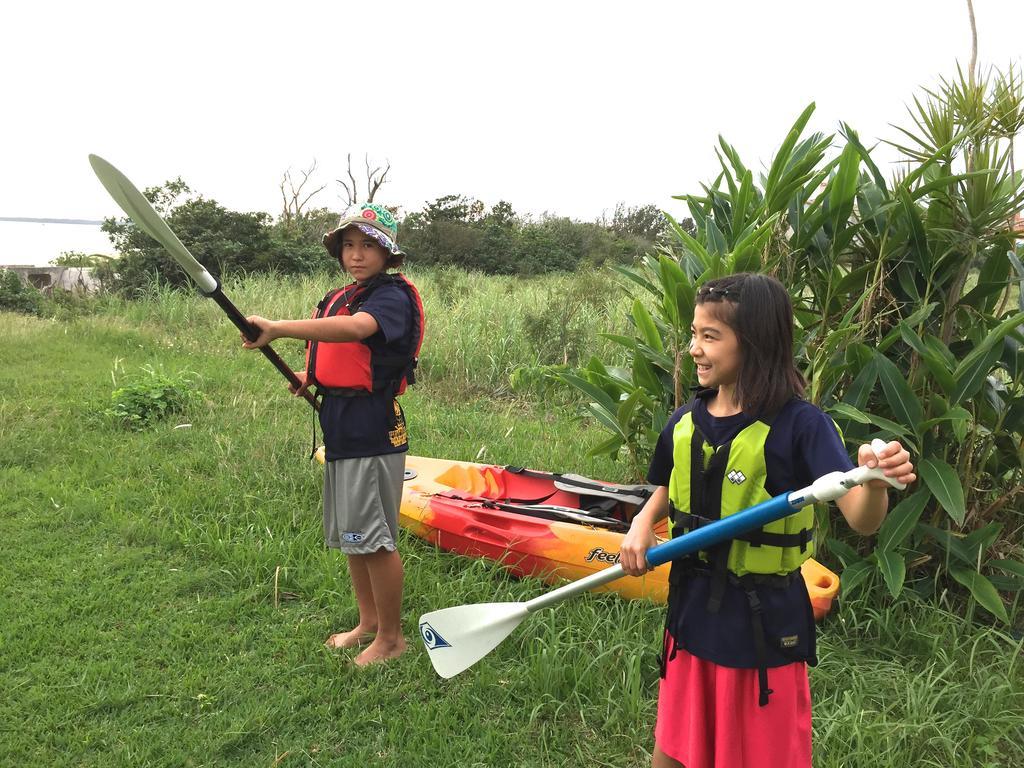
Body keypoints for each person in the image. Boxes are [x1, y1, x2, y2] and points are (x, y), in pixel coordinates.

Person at [619, 272, 916, 768]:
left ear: (753, 342)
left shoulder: (801, 425)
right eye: (693, 334)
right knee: (672, 752)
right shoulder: (684, 421)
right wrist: (641, 523)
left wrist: (875, 482)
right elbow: (666, 489)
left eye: (710, 336)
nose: (694, 348)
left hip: (760, 631)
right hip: (691, 614)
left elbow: (861, 519)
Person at [242, 203, 424, 666]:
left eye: (368, 246)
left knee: (375, 538)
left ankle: (391, 639)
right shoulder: (345, 292)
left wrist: (278, 328)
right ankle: (367, 624)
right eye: (348, 245)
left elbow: (358, 330)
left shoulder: (389, 297)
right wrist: (311, 374)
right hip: (340, 421)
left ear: (387, 254)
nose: (356, 255)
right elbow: (336, 350)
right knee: (353, 535)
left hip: (371, 424)